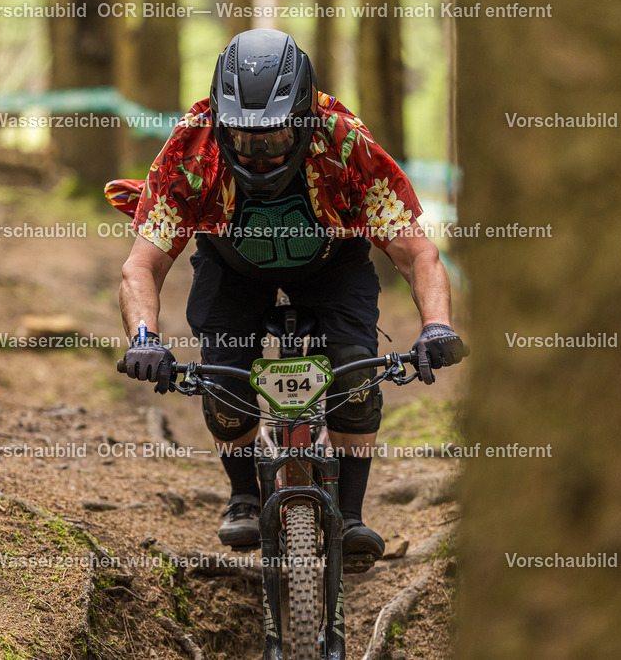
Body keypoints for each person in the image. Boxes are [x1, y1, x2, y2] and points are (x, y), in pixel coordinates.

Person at [107, 29, 464, 572]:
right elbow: (141, 265)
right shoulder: (191, 148)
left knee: (353, 371)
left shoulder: (345, 143)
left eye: (274, 138)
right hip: (231, 266)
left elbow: (417, 253)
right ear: (220, 123)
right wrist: (143, 339)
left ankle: (350, 516)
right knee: (224, 381)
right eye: (242, 139)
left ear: (304, 121)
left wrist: (436, 325)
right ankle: (243, 496)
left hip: (332, 263)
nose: (258, 155)